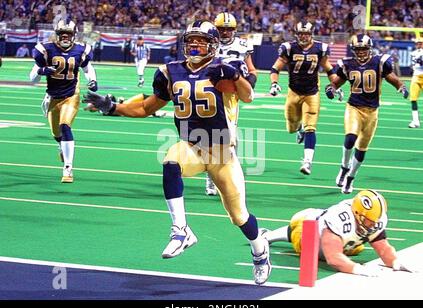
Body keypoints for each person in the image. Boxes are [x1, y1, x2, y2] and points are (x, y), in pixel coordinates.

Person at [82, 20, 271, 285]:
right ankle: (181, 230)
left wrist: (236, 76)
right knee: (171, 161)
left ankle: (260, 249)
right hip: (192, 146)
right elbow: (146, 108)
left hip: (221, 151)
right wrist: (112, 107)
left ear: (213, 45)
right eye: (191, 39)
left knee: (239, 216)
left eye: (201, 41)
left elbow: (248, 96)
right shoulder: (170, 71)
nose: (194, 44)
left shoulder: (224, 68)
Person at [260, 189, 413, 276]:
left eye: (375, 221)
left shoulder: (374, 219)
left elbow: (383, 247)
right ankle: (268, 236)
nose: (372, 225)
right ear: (357, 213)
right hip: (307, 227)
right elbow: (333, 258)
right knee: (301, 237)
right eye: (368, 221)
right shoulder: (340, 218)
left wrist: (395, 262)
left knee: (357, 248)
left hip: (338, 238)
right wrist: (359, 269)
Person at [326, 34, 409, 194]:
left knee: (362, 149)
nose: (361, 52)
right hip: (354, 107)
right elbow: (336, 82)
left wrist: (401, 86)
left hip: (372, 111)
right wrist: (331, 89)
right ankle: (344, 167)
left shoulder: (379, 62)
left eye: (364, 48)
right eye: (358, 49)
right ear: (354, 50)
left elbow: (392, 78)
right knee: (350, 137)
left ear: (369, 48)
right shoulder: (348, 64)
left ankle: (350, 178)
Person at [269, 21, 343, 176]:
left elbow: (329, 69)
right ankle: (299, 129)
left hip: (312, 93)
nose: (303, 36)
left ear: (311, 34)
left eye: (306, 34)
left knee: (311, 127)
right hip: (293, 92)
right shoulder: (289, 48)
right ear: (296, 34)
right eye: (301, 34)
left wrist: (336, 85)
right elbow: (276, 67)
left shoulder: (320, 48)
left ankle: (307, 161)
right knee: (291, 127)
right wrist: (274, 83)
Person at [29, 19, 98, 183]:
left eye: (68, 34)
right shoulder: (45, 50)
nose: (65, 37)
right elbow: (32, 79)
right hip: (53, 96)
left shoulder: (81, 50)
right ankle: (61, 145)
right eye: (62, 34)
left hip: (71, 95)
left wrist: (93, 80)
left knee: (65, 126)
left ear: (74, 35)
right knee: (56, 133)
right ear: (57, 34)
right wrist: (42, 70)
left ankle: (68, 168)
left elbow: (87, 68)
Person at [200, 12, 259, 197]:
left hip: (231, 95)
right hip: (210, 92)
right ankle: (213, 178)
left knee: (230, 139)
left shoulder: (242, 45)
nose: (225, 32)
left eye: (229, 29)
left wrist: (248, 83)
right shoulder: (208, 44)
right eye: (222, 29)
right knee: (213, 137)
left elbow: (252, 70)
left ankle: (224, 175)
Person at [408, 37, 423, 128]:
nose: (419, 45)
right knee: (413, 99)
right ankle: (415, 121)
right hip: (416, 77)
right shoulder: (413, 53)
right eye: (418, 43)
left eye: (421, 43)